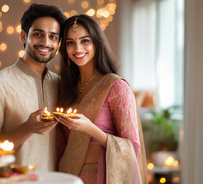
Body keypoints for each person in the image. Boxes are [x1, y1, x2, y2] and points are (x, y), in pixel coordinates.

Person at [56, 14, 147, 183]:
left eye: (85, 41)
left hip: (99, 176)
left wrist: (91, 129)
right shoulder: (66, 87)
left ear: (97, 42)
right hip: (67, 176)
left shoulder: (116, 86)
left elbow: (132, 148)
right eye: (70, 42)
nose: (77, 48)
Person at [0, 3, 66, 171]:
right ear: (24, 36)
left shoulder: (60, 85)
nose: (46, 42)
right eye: (38, 34)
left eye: (53, 37)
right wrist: (26, 129)